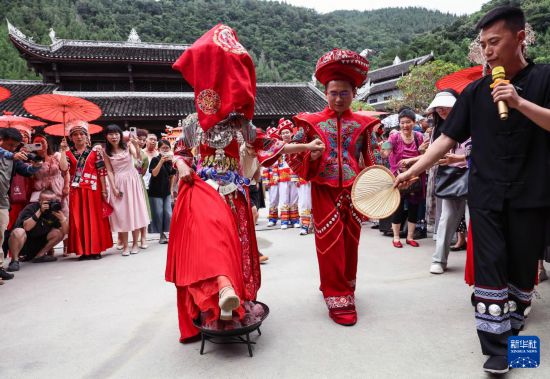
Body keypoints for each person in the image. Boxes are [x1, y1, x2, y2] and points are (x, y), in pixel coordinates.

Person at [395, 6, 550, 374]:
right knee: (490, 266)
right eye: (483, 45)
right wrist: (416, 168)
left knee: (522, 269)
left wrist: (519, 102)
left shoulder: (545, 78)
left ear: (520, 38)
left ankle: (514, 334)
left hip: (532, 194)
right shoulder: (476, 92)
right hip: (486, 195)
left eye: (494, 42)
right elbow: (446, 138)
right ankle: (496, 350)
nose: (488, 51)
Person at [168, 24, 325, 342]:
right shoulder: (192, 123)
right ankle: (209, 306)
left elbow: (269, 146)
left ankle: (232, 302)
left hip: (234, 195)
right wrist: (182, 166)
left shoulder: (241, 123)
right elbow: (180, 153)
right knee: (207, 251)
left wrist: (306, 148)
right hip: (203, 193)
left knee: (236, 251)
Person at [289, 48, 377, 326]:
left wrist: (381, 184)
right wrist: (309, 156)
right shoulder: (309, 123)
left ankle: (345, 285)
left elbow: (371, 159)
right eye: (333, 93)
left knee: (351, 240)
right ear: (325, 93)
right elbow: (291, 155)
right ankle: (336, 295)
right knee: (329, 241)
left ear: (354, 94)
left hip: (354, 189)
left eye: (344, 93)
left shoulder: (365, 124)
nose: (338, 98)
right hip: (323, 189)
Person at [59, 120, 113, 260]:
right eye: (75, 135)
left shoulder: (95, 152)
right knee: (79, 219)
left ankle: (96, 249)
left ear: (86, 136)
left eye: (81, 134)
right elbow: (64, 168)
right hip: (77, 190)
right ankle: (83, 250)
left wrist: (104, 190)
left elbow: (101, 171)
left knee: (94, 219)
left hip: (94, 189)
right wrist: (62, 151)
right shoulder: (69, 153)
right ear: (71, 138)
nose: (79, 137)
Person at [0, 127, 41, 282]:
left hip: (3, 200)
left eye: (15, 146)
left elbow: (26, 170)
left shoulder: (14, 158)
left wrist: (36, 166)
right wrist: (11, 154)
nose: (13, 148)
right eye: (10, 145)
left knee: (0, 235)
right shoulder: (9, 154)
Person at [103, 124, 150, 256]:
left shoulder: (128, 146)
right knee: (121, 215)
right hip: (118, 182)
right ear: (106, 137)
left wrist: (136, 145)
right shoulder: (106, 152)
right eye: (111, 134)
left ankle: (135, 243)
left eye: (116, 134)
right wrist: (113, 187)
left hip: (132, 180)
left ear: (120, 135)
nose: (114, 137)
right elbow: (109, 171)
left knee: (134, 212)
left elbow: (138, 159)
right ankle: (125, 245)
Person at [381, 109, 424, 248]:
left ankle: (410, 237)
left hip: (416, 177)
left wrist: (418, 154)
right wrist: (385, 149)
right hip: (398, 178)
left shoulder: (419, 137)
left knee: (414, 206)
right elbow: (385, 152)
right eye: (402, 123)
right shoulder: (394, 137)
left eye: (408, 122)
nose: (405, 125)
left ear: (414, 122)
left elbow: (426, 155)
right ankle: (396, 237)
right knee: (398, 206)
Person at [28, 133, 70, 256]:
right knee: (45, 219)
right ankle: (48, 247)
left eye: (43, 142)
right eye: (37, 143)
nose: (40, 145)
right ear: (32, 146)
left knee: (63, 216)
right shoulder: (31, 159)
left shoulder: (56, 156)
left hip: (59, 190)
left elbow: (65, 170)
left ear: (47, 143)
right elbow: (29, 176)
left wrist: (66, 186)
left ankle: (66, 246)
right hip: (42, 193)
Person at [7, 189, 68, 270]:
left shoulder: (55, 211)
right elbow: (27, 227)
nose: (50, 204)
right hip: (23, 244)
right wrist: (40, 211)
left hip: (40, 242)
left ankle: (39, 256)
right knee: (18, 231)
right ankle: (14, 261)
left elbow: (66, 232)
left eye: (52, 201)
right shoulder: (30, 208)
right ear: (39, 201)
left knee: (59, 232)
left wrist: (62, 219)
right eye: (47, 202)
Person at [147, 139, 176, 245]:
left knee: (168, 213)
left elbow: (172, 175)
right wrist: (161, 161)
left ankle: (168, 233)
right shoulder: (155, 159)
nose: (165, 149)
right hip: (155, 191)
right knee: (158, 213)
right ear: (158, 149)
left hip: (166, 191)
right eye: (163, 148)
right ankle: (161, 235)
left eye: (167, 148)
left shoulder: (170, 161)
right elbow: (154, 173)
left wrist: (171, 189)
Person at [277, 119, 300, 229]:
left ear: (291, 133)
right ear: (280, 135)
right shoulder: (277, 146)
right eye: (283, 133)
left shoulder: (296, 145)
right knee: (284, 198)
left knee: (294, 198)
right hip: (282, 176)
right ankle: (284, 220)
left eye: (287, 132)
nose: (285, 135)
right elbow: (274, 163)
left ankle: (295, 219)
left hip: (294, 175)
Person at [135, 128, 151, 249]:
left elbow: (143, 172)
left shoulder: (144, 155)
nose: (141, 142)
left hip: (139, 183)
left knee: (143, 209)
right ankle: (121, 237)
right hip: (126, 183)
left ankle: (143, 237)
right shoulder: (126, 151)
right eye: (139, 139)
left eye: (143, 140)